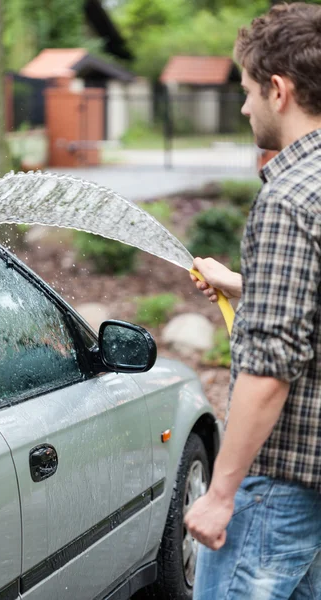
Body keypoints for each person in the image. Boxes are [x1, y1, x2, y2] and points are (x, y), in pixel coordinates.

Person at [185, 3, 321, 599]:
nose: (244, 108)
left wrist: (219, 495)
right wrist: (246, 284)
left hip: (274, 490)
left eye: (247, 92)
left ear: (278, 89)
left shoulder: (288, 199)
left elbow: (270, 371)